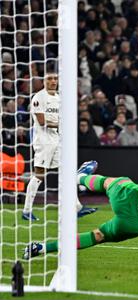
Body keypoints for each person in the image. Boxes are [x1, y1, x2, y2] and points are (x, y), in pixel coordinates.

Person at [23, 73, 96, 221]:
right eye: (50, 79)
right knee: (39, 175)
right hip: (43, 141)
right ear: (44, 81)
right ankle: (26, 211)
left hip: (56, 139)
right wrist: (62, 123)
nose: (53, 81)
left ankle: (77, 208)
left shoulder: (59, 98)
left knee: (67, 173)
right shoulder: (38, 98)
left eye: (55, 79)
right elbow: (42, 122)